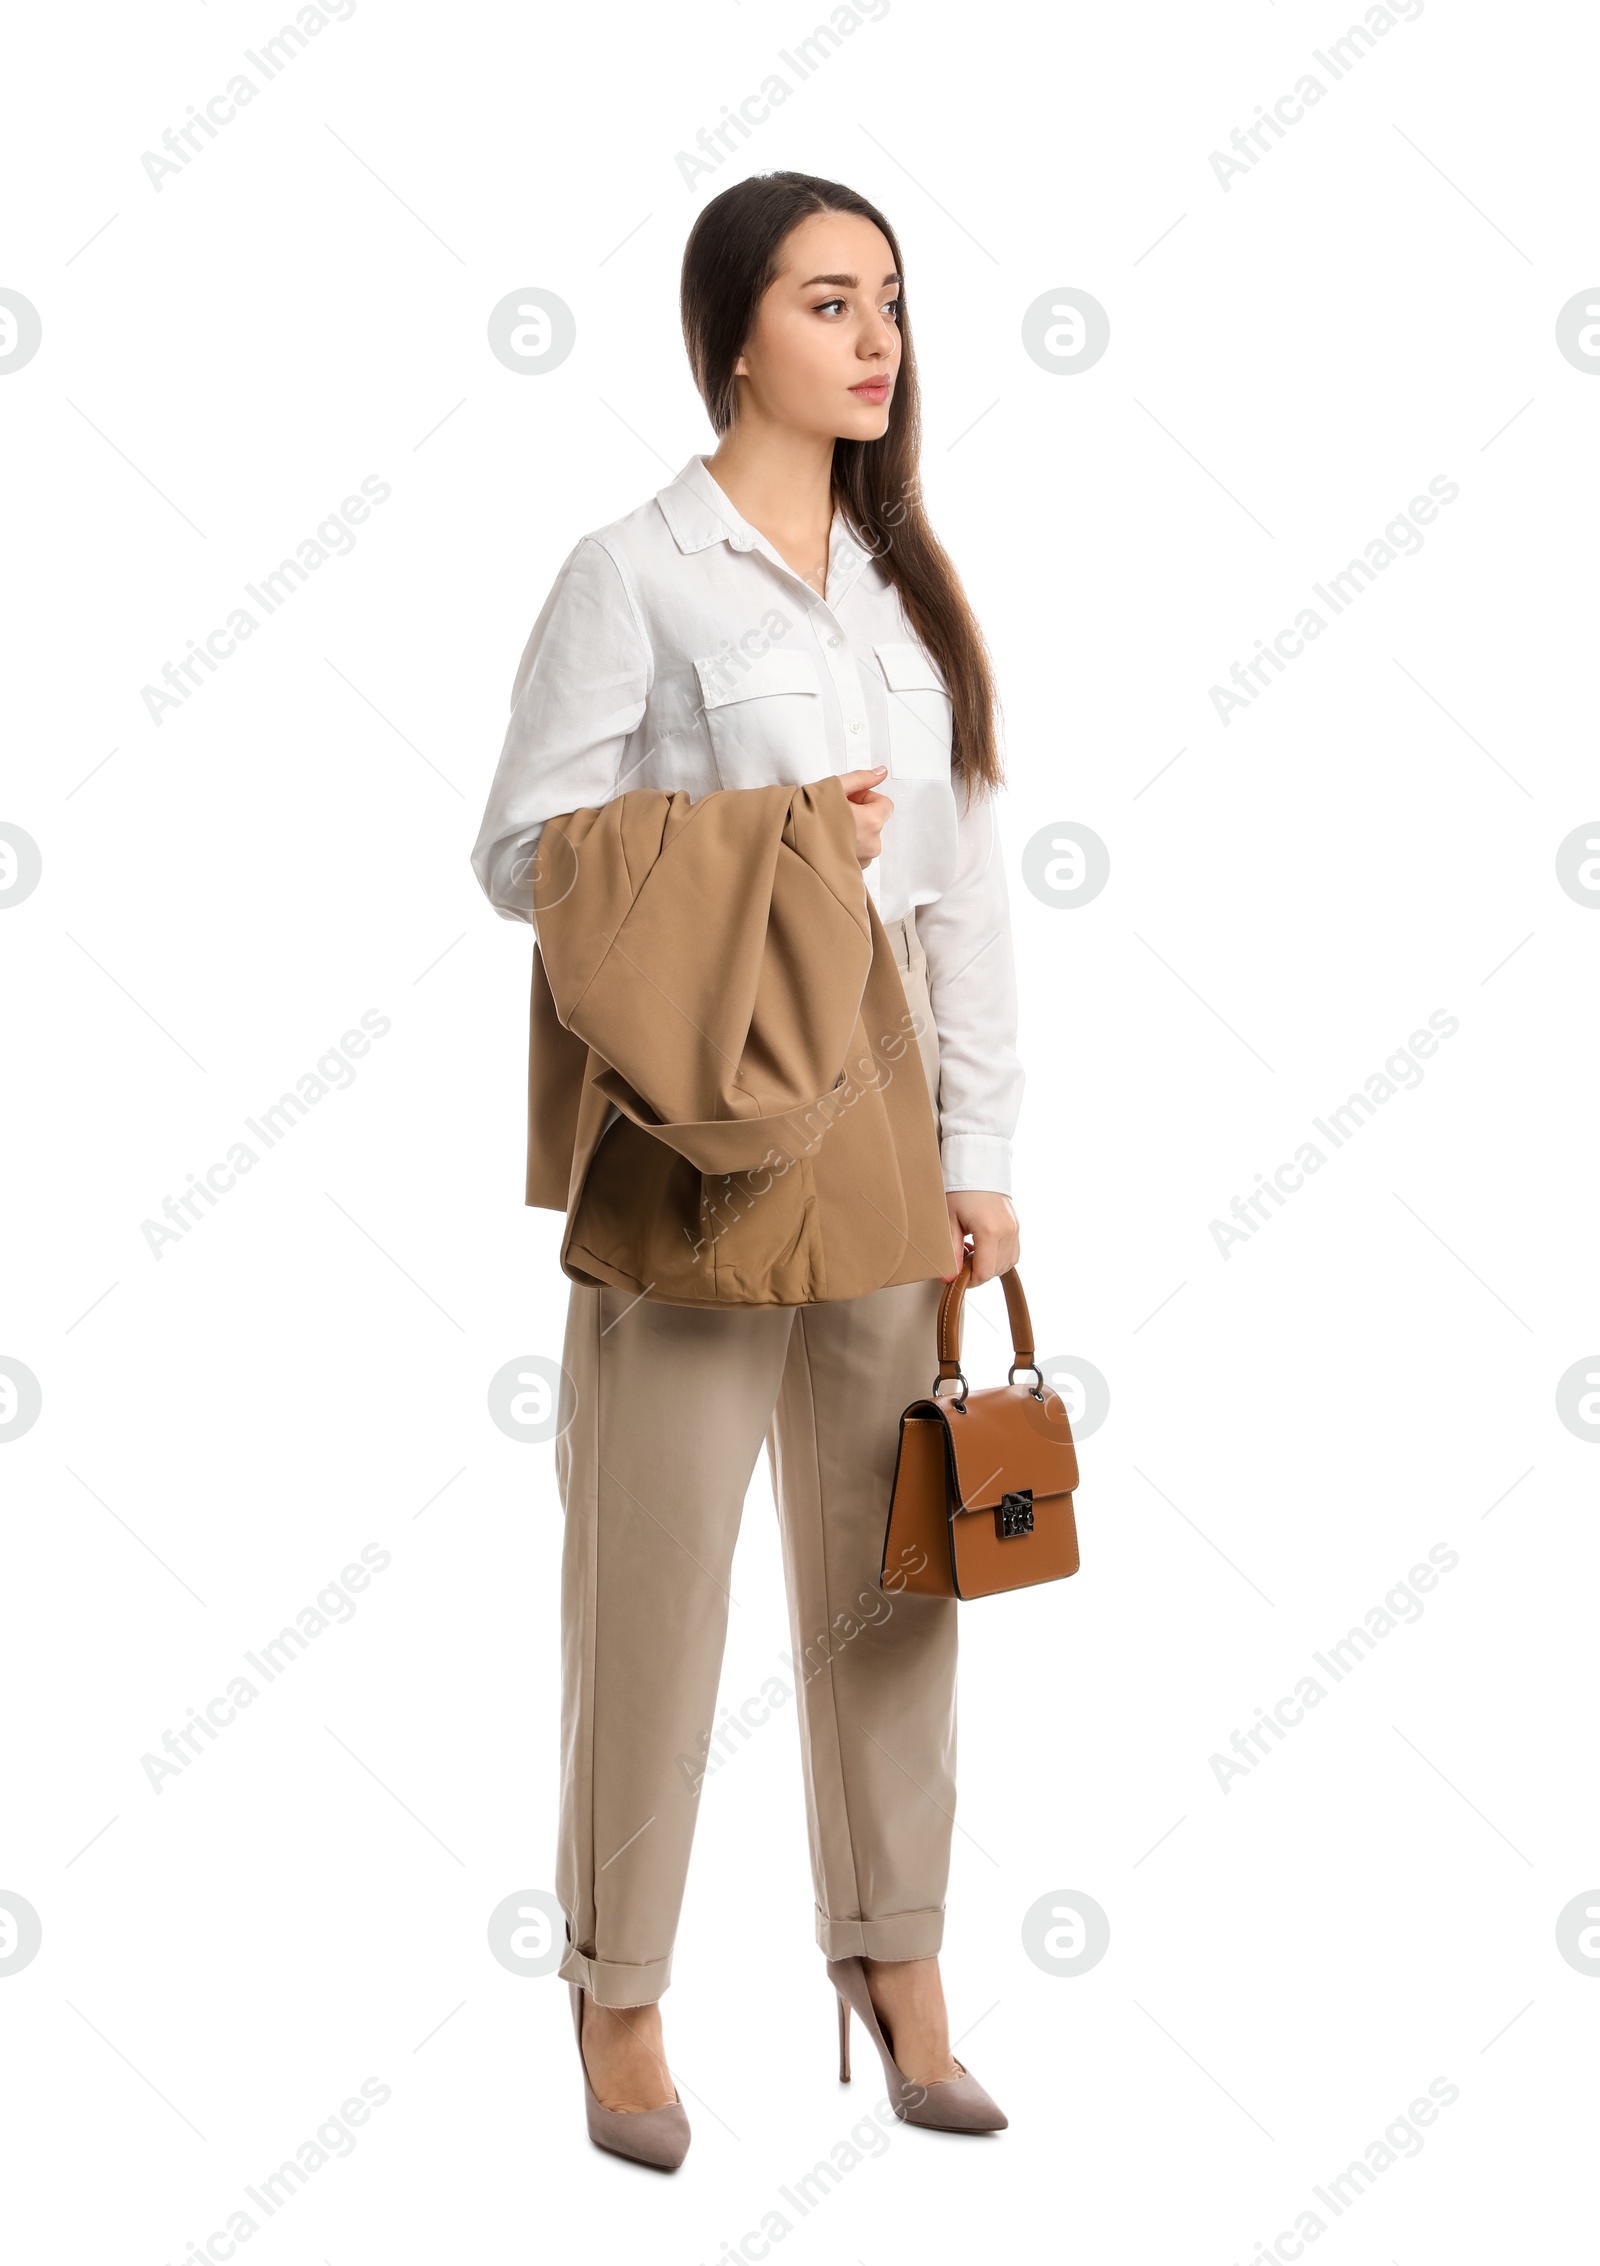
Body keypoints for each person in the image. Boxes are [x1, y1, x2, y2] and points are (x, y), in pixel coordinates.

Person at [470, 170, 1025, 2167]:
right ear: (731, 337)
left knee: (894, 1578)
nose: (871, 337)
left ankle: (898, 1962)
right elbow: (526, 851)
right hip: (696, 1129)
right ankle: (617, 1993)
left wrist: (984, 1151)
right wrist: (780, 833)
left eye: (887, 298)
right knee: (652, 1588)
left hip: (882, 1118)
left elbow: (964, 905)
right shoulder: (637, 569)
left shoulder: (910, 590)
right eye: (824, 301)